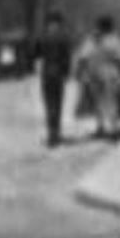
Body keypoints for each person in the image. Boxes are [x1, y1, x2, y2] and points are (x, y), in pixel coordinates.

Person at [72, 15, 120, 139]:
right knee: (111, 102)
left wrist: (79, 72)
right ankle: (113, 128)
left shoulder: (91, 39)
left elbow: (83, 57)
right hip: (110, 74)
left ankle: (101, 127)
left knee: (98, 102)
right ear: (110, 27)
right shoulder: (114, 40)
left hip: (93, 73)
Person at [34, 11, 75, 147]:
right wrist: (67, 73)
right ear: (59, 23)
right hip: (58, 75)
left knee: (49, 104)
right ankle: (55, 133)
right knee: (57, 104)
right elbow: (67, 58)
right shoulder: (64, 38)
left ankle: (52, 134)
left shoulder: (43, 37)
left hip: (46, 75)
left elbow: (36, 54)